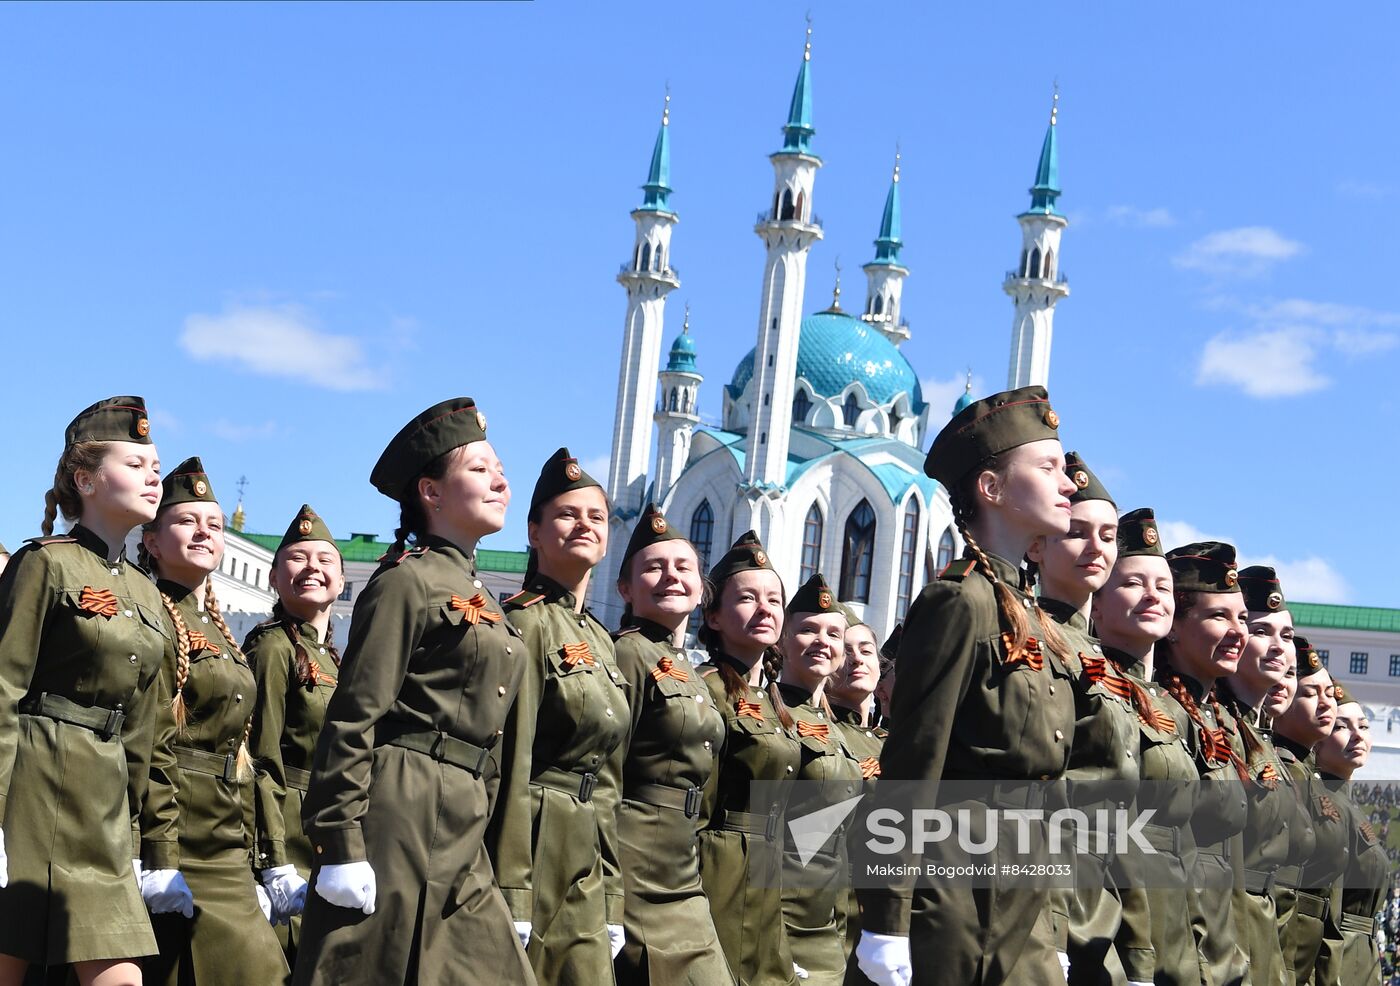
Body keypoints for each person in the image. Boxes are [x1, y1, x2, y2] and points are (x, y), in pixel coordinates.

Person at [294, 397, 533, 986]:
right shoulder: (407, 580)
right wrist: (341, 841)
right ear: (430, 491)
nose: (500, 480)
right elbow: (353, 715)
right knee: (371, 971)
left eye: (500, 469)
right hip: (399, 806)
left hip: (463, 817)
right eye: (479, 469)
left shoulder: (480, 596)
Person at [856, 385, 1079, 986]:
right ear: (992, 489)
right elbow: (911, 767)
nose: (1070, 484)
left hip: (1024, 902)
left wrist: (1053, 922)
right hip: (957, 901)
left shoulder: (1030, 615)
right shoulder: (960, 602)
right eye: (1050, 467)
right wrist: (887, 922)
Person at [0, 397, 181, 986]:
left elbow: (143, 731)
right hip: (33, 790)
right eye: (136, 463)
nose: (154, 474)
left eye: (156, 464)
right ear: (86, 478)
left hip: (102, 810)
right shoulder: (44, 565)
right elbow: (3, 691)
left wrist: (133, 836)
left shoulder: (145, 592)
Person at [137, 457, 287, 985]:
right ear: (152, 541)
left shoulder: (217, 625)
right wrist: (158, 854)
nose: (204, 533)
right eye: (186, 521)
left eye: (215, 526)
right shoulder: (148, 610)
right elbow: (151, 742)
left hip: (224, 837)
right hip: (177, 829)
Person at [486, 448, 629, 985]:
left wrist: (613, 893)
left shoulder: (598, 639)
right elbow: (511, 762)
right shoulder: (523, 624)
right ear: (534, 532)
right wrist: (513, 886)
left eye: (596, 516)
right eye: (568, 514)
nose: (584, 525)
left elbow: (609, 781)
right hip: (537, 838)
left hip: (587, 844)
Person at [1025, 453, 1143, 986]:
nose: (1097, 547)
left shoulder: (1096, 656)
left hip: (1102, 896)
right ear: (1037, 544)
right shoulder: (1022, 638)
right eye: (1077, 532)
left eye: (1108, 535)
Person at [608, 504, 732, 986]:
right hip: (637, 855)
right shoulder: (627, 653)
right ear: (625, 588)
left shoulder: (689, 670)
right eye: (653, 568)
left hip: (684, 863)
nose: (670, 577)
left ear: (701, 591)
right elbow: (610, 767)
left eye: (684, 568)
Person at [1090, 507, 1204, 986]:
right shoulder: (1087, 684)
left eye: (1163, 587)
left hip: (1175, 933)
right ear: (1096, 603)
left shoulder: (1174, 709)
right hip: (1110, 937)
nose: (1153, 596)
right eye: (1134, 583)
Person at [695, 531, 802, 986]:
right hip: (722, 872)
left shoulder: (776, 702)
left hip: (770, 879)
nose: (766, 609)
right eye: (748, 599)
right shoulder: (704, 689)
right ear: (714, 616)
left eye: (775, 600)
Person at [244, 505, 345, 970]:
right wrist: (272, 859)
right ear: (272, 577)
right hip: (286, 828)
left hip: (328, 833)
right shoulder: (271, 647)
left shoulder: (336, 660)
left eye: (325, 560)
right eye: (298, 559)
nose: (312, 569)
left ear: (342, 580)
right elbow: (260, 758)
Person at [1156, 542, 1252, 986]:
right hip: (1171, 950)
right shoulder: (1159, 711)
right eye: (1219, 616)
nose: (1238, 632)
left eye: (1243, 619)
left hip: (1220, 950)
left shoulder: (1219, 721)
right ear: (1173, 625)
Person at [1220, 566, 1311, 985]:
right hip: (1226, 946)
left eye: (1287, 636)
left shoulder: (1257, 737)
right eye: (1262, 631)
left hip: (1265, 948)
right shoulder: (1218, 730)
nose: (1279, 647)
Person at [777, 575, 861, 986]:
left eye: (833, 634)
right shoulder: (769, 712)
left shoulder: (836, 729)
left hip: (828, 917)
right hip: (781, 915)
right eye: (807, 629)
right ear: (782, 639)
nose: (821, 642)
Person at [1273, 638, 1348, 984]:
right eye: (1310, 693)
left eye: (1330, 694)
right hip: (1281, 947)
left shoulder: (1311, 778)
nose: (1326, 704)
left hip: (1306, 954)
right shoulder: (1278, 769)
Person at [1315, 692, 1389, 986]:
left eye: (1364, 726)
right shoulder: (1322, 804)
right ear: (1317, 738)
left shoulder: (1347, 804)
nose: (1357, 736)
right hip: (1339, 959)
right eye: (1341, 726)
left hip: (1359, 958)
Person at [829, 604, 886, 986]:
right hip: (838, 912)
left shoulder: (892, 743)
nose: (856, 660)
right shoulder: (823, 734)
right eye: (845, 651)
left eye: (865, 650)